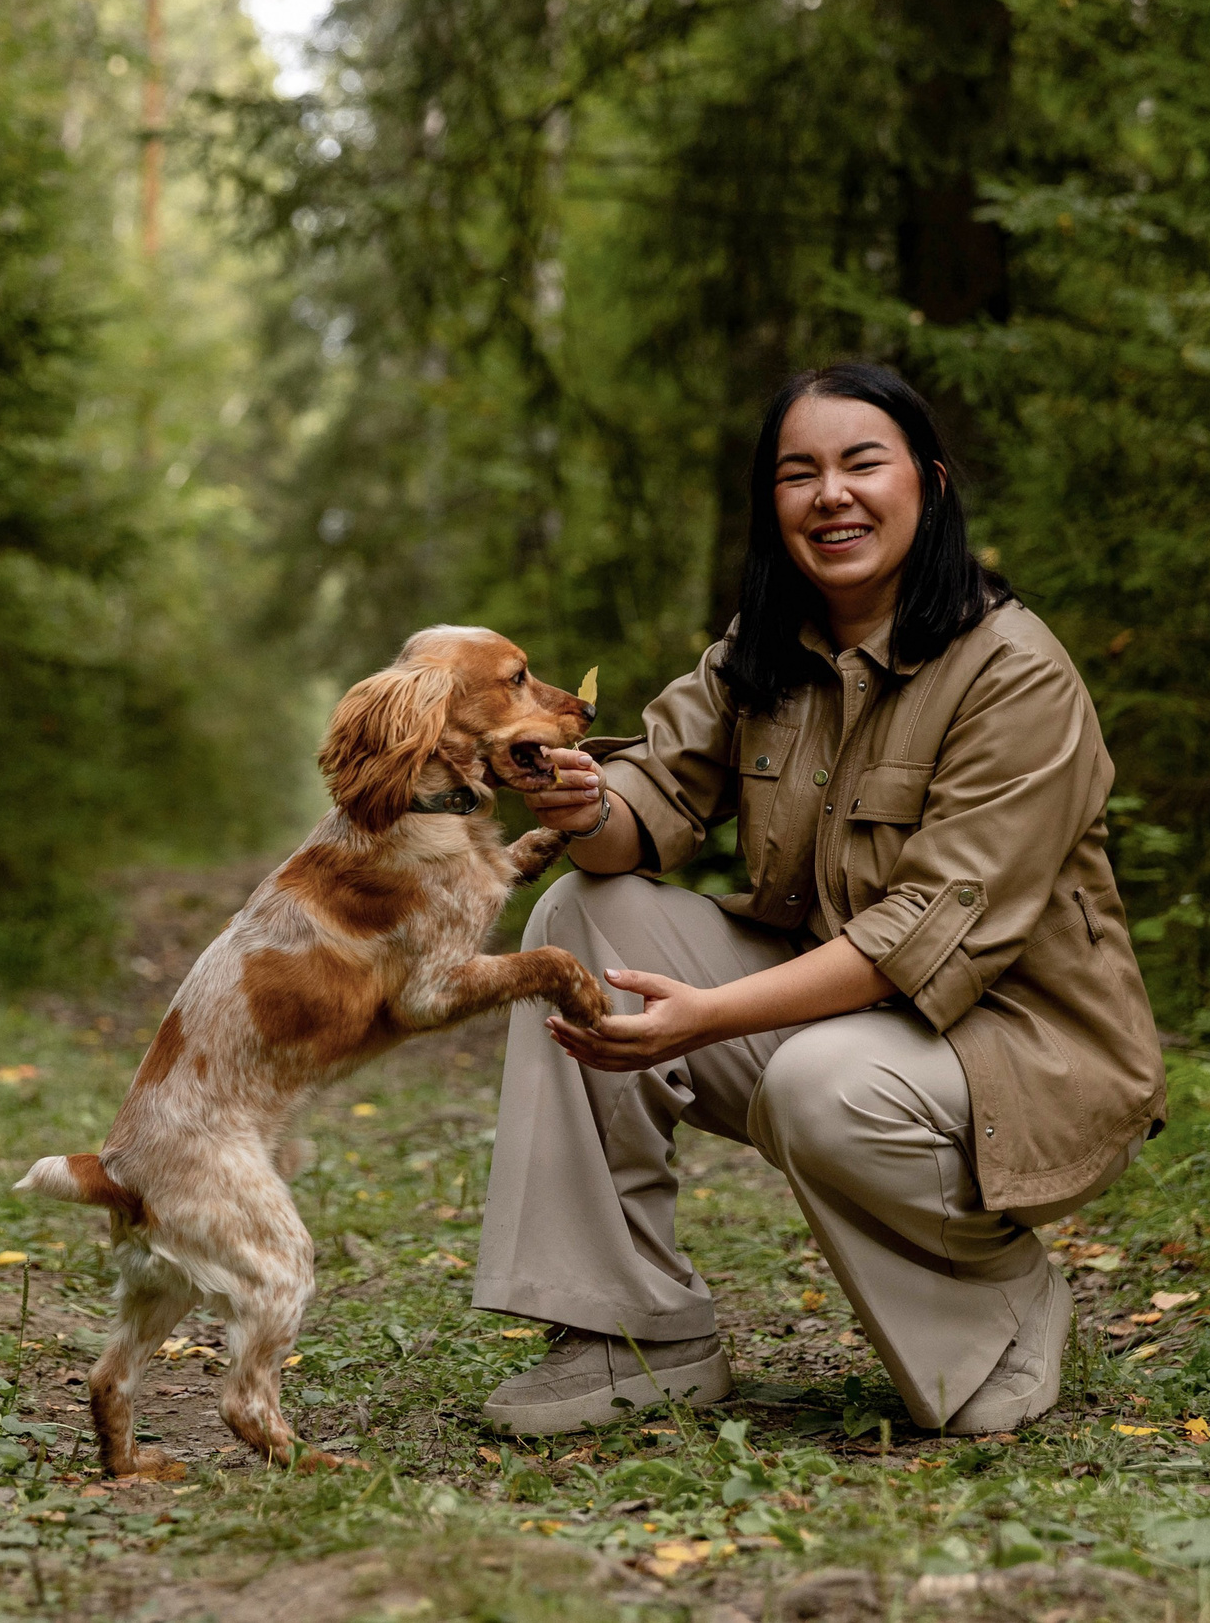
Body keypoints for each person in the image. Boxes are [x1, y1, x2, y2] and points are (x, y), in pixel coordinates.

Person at [474, 362, 1163, 1438]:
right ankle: (635, 1332)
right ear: (772, 506)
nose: (829, 493)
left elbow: (920, 936)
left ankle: (1000, 1300)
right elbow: (642, 818)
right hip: (849, 1021)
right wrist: (581, 803)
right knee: (575, 918)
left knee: (822, 1077)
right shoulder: (762, 650)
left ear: (928, 486)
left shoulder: (1014, 671)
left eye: (860, 464)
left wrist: (701, 1018)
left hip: (1023, 1052)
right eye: (798, 473)